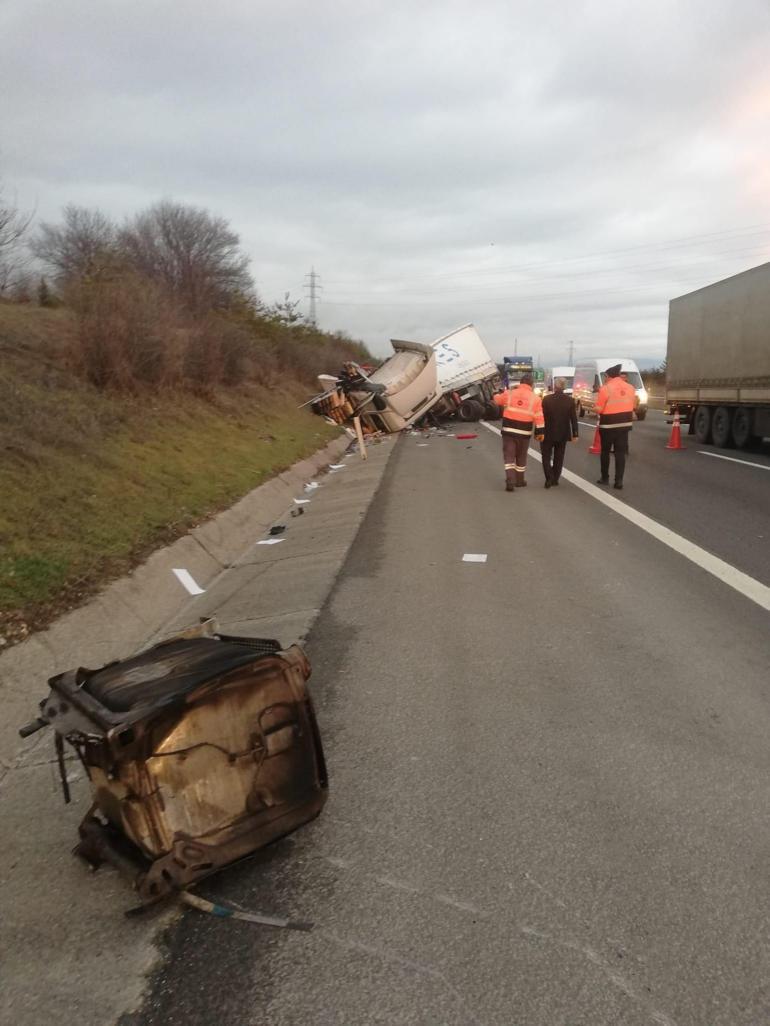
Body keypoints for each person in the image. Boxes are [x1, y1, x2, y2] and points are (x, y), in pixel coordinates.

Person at [493, 373, 544, 490]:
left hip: (509, 431)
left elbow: (497, 401)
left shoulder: (509, 393)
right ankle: (520, 481)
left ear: (520, 383)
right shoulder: (536, 399)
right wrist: (540, 432)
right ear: (532, 384)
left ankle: (510, 479)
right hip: (524, 433)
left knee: (509, 456)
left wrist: (496, 394)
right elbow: (539, 417)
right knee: (521, 456)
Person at [595, 364, 635, 489]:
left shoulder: (605, 388)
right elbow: (632, 405)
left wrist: (593, 406)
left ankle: (605, 478)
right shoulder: (630, 388)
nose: (605, 379)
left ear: (608, 376)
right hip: (625, 424)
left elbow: (599, 409)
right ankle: (619, 481)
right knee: (620, 453)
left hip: (608, 425)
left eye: (605, 376)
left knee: (605, 452)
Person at [541, 378, 578, 487]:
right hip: (563, 433)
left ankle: (549, 477)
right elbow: (573, 419)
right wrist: (575, 433)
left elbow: (541, 417)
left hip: (548, 432)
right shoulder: (570, 400)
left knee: (546, 456)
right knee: (559, 456)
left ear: (554, 386)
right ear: (564, 387)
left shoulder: (546, 399)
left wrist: (538, 431)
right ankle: (555, 478)